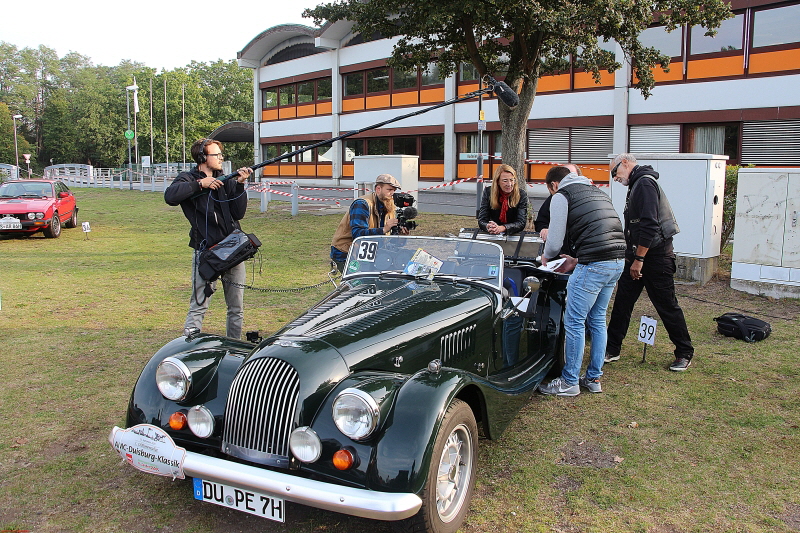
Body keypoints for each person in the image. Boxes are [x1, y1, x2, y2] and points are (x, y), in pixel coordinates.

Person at [537, 165, 626, 396]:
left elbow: (554, 242)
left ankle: (569, 381)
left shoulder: (562, 196)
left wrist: (546, 257)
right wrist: (577, 259)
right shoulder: (597, 191)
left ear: (553, 185)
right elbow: (603, 230)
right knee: (597, 319)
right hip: (617, 260)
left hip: (595, 264)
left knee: (574, 321)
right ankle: (594, 378)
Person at [605, 153, 694, 371]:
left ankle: (684, 353)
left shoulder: (644, 183)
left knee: (666, 306)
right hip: (637, 256)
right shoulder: (637, 183)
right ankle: (611, 348)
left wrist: (639, 260)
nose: (615, 178)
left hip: (654, 258)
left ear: (625, 163)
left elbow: (649, 225)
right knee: (622, 304)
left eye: (614, 172)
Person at [164, 138, 253, 339]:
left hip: (233, 251)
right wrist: (199, 184)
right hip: (206, 253)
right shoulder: (187, 179)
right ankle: (190, 346)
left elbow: (238, 214)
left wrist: (239, 185)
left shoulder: (226, 179)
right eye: (216, 155)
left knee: (236, 308)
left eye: (221, 155)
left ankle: (234, 347)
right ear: (203, 157)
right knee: (199, 305)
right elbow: (170, 196)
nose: (221, 158)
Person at [330, 174, 406, 273]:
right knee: (360, 284)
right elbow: (358, 235)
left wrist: (401, 237)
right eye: (389, 190)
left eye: (394, 190)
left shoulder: (389, 207)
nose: (392, 193)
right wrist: (384, 229)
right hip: (347, 253)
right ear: (378, 189)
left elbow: (388, 241)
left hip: (371, 253)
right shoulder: (362, 204)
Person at [535, 163, 580, 243]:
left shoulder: (581, 198)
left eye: (571, 176)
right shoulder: (553, 199)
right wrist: (544, 228)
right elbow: (541, 221)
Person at [477, 164, 528, 235]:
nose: (509, 184)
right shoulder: (488, 192)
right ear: (497, 181)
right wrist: (489, 226)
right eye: (505, 181)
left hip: (513, 234)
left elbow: (521, 223)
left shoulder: (521, 194)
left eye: (511, 180)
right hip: (492, 234)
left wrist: (503, 228)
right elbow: (482, 220)